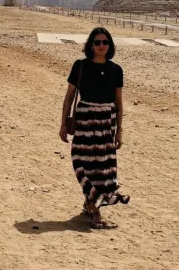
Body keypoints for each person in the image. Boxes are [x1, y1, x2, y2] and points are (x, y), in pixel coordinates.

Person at [59, 26, 129, 229]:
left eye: (105, 42)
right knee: (84, 162)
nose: (101, 45)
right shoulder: (80, 66)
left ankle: (91, 204)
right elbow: (69, 97)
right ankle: (94, 208)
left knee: (104, 168)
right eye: (97, 42)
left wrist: (119, 131)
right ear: (90, 45)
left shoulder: (116, 70)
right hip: (85, 121)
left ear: (110, 45)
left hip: (106, 123)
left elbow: (119, 102)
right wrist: (63, 124)